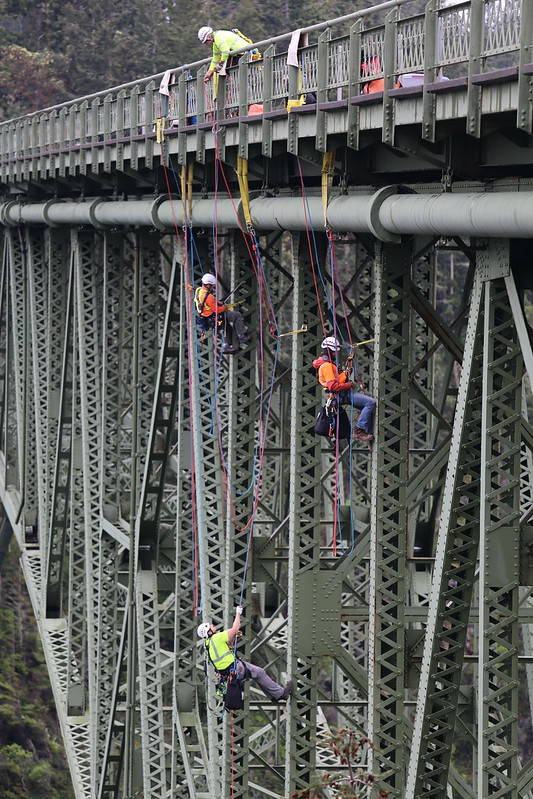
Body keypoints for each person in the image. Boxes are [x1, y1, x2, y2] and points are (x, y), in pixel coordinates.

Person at [197, 606, 292, 702]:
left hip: (228, 672)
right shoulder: (217, 637)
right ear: (208, 632)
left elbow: (227, 645)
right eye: (211, 626)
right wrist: (238, 614)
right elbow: (234, 629)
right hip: (235, 668)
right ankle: (280, 694)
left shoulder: (208, 644)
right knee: (260, 673)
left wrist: (234, 636)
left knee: (258, 674)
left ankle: (274, 696)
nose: (213, 626)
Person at [313, 336, 376, 442]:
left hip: (339, 396)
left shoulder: (327, 364)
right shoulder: (327, 366)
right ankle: (359, 430)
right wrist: (349, 384)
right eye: (334, 352)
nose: (336, 354)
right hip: (342, 395)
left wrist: (346, 373)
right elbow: (333, 386)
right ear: (330, 351)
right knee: (370, 403)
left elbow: (337, 380)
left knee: (366, 407)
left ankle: (367, 432)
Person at [194, 272, 249, 354]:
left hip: (207, 317)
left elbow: (206, 303)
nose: (212, 287)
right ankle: (241, 336)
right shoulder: (209, 297)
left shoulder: (198, 291)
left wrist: (217, 302)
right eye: (212, 285)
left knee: (225, 328)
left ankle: (226, 346)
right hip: (215, 315)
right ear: (208, 285)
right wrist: (225, 307)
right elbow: (217, 310)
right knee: (236, 316)